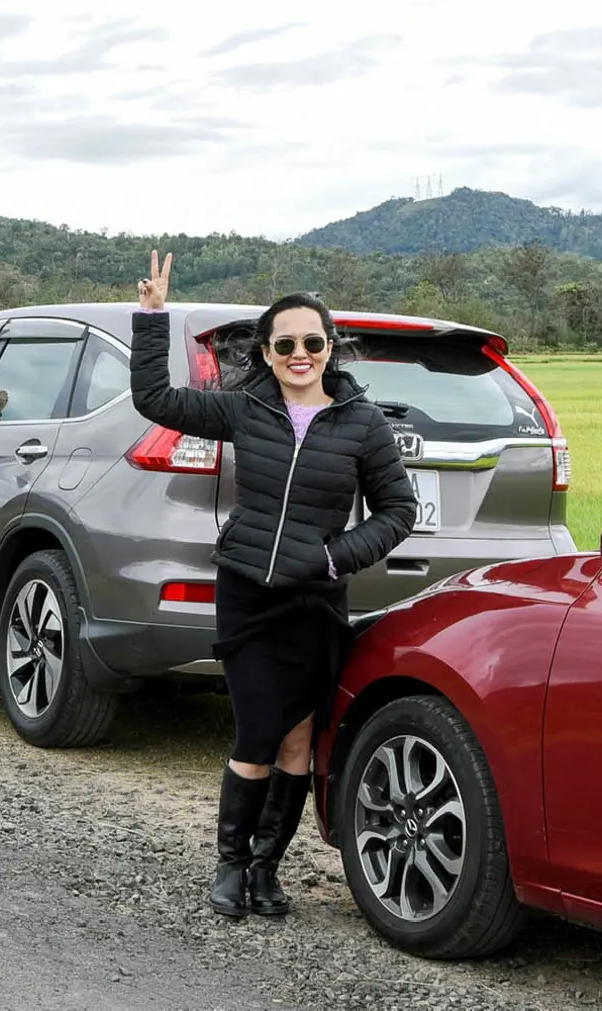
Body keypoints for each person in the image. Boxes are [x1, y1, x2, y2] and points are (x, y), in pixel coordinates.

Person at [128, 250, 417, 919]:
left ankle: (266, 868)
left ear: (329, 347)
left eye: (312, 342)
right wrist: (152, 318)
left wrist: (333, 557)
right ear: (266, 350)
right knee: (257, 732)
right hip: (250, 595)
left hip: (315, 602)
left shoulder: (362, 423)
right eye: (285, 343)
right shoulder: (244, 408)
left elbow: (397, 511)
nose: (299, 353)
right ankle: (229, 864)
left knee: (298, 741)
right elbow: (155, 399)